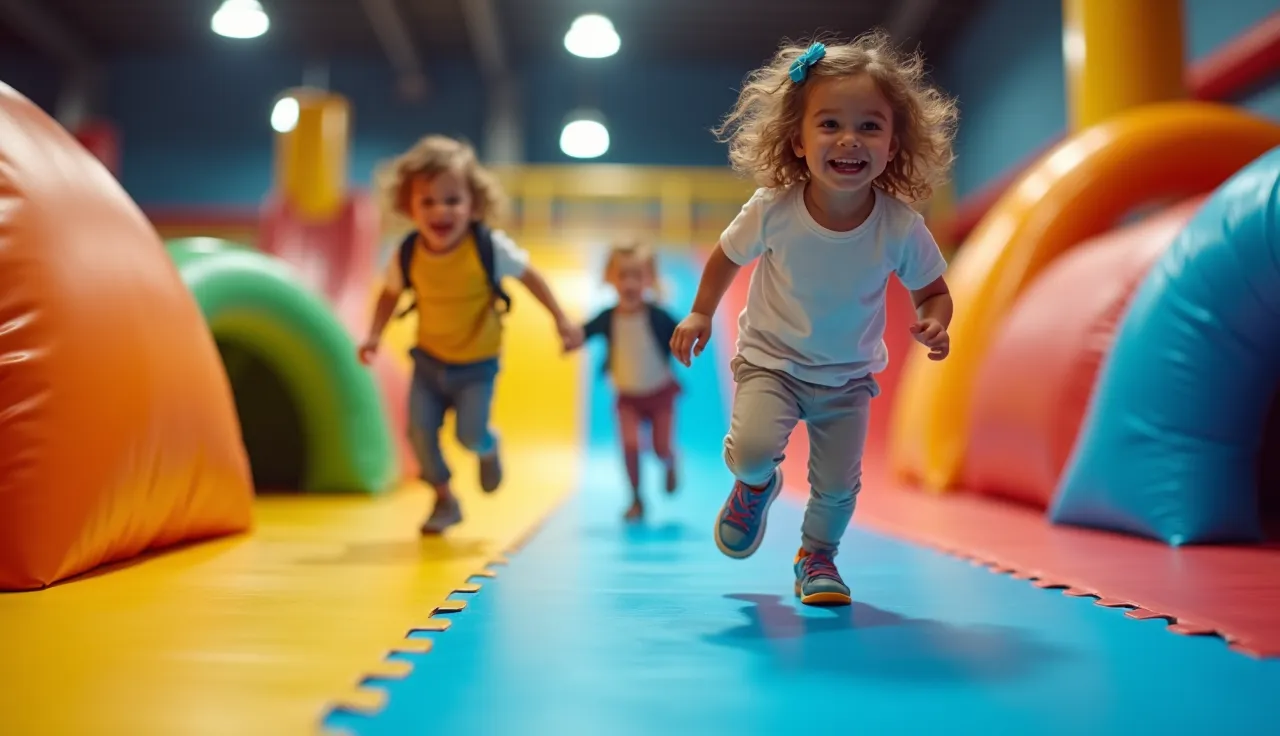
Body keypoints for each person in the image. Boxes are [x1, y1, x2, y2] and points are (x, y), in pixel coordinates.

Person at [670, 31, 959, 606]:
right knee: (751, 448)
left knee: (836, 487)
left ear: (893, 142)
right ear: (797, 141)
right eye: (829, 124)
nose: (849, 139)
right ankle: (755, 486)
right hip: (770, 363)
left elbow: (934, 291)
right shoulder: (773, 209)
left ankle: (817, 557)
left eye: (869, 126)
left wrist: (934, 320)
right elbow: (727, 255)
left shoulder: (900, 226)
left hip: (847, 378)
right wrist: (702, 311)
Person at [359, 135, 583, 534]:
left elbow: (530, 276)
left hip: (477, 365)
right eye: (427, 201)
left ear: (474, 204)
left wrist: (561, 320)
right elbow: (389, 294)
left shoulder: (487, 247)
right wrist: (375, 334)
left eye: (452, 200)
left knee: (470, 434)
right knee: (418, 433)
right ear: (408, 206)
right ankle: (444, 498)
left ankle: (488, 446)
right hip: (428, 360)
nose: (440, 210)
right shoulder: (406, 252)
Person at [575, 241, 681, 522]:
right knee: (630, 446)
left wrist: (691, 342)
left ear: (649, 280)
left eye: (638, 276)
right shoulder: (607, 317)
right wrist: (569, 337)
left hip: (660, 394)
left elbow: (683, 334)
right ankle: (636, 499)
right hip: (627, 397)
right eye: (623, 276)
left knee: (660, 447)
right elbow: (581, 333)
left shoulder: (658, 316)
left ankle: (670, 462)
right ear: (610, 279)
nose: (630, 283)